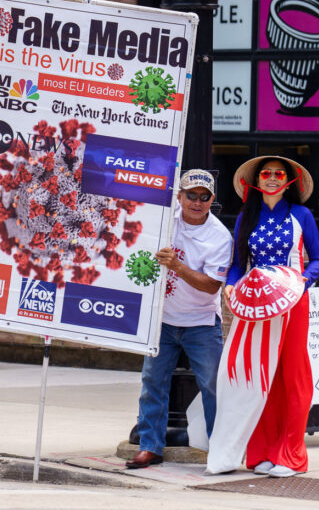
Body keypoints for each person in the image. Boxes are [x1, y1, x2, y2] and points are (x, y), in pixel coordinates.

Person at [206, 156, 319, 477]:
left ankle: (291, 455)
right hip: (255, 303)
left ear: (289, 180)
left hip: (292, 303)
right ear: (256, 180)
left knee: (292, 378)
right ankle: (262, 452)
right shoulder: (247, 216)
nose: (272, 178)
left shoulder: (302, 215)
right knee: (257, 378)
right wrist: (230, 287)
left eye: (279, 173)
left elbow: (317, 260)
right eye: (266, 173)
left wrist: (302, 283)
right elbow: (236, 264)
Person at [127, 169, 233, 469]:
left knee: (212, 386)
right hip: (163, 319)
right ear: (179, 196)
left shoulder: (219, 237)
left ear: (212, 199)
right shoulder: (164, 218)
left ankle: (220, 449)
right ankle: (150, 446)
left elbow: (212, 284)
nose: (196, 202)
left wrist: (177, 266)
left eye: (204, 197)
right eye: (191, 195)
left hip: (200, 322)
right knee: (152, 382)